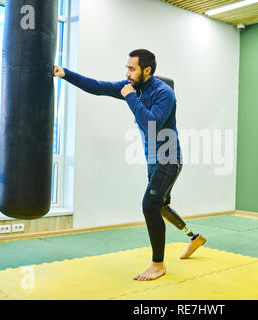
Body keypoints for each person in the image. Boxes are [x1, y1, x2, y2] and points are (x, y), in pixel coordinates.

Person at [52, 49, 206, 281]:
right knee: (161, 206)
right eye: (127, 67)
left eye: (131, 68)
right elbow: (96, 86)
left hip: (169, 158)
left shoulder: (164, 93)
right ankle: (194, 238)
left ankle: (158, 264)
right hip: (153, 161)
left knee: (149, 205)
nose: (127, 73)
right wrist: (65, 73)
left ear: (147, 70)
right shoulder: (131, 86)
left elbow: (151, 123)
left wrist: (130, 96)